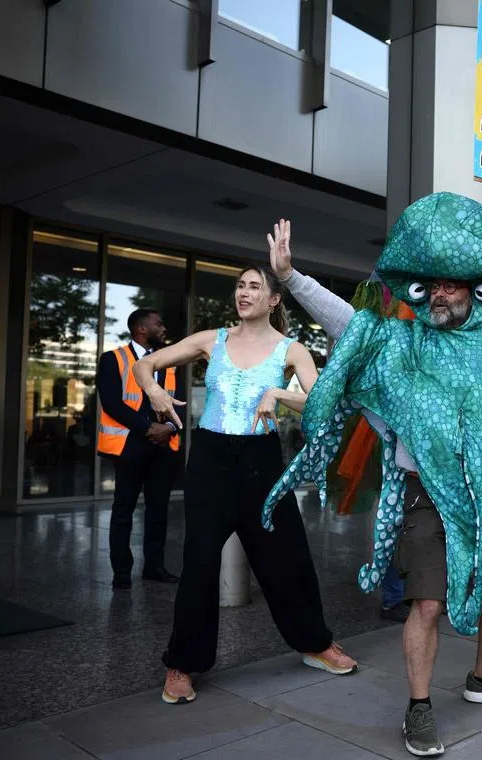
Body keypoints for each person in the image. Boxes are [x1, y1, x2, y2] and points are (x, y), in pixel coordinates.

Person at [263, 196, 482, 758]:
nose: (440, 293)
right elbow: (347, 321)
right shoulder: (401, 341)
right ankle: (419, 708)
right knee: (426, 603)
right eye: (432, 284)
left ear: (475, 290)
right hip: (424, 496)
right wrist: (290, 277)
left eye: (452, 284)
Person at [135, 265, 356, 705]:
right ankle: (182, 664)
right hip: (211, 460)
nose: (244, 292)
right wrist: (154, 392)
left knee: (287, 556)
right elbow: (146, 363)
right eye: (240, 285)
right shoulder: (210, 340)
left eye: (255, 286)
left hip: (261, 462)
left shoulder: (292, 350)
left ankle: (316, 643)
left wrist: (280, 395)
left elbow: (322, 402)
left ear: (274, 299)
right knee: (199, 562)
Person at [95, 309, 181, 589]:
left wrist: (168, 428)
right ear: (142, 329)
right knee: (124, 509)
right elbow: (111, 403)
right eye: (158, 323)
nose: (163, 327)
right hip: (130, 446)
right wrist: (148, 428)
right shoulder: (113, 359)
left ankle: (154, 567)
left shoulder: (167, 363)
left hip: (162, 446)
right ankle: (121, 572)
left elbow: (176, 402)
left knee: (159, 509)